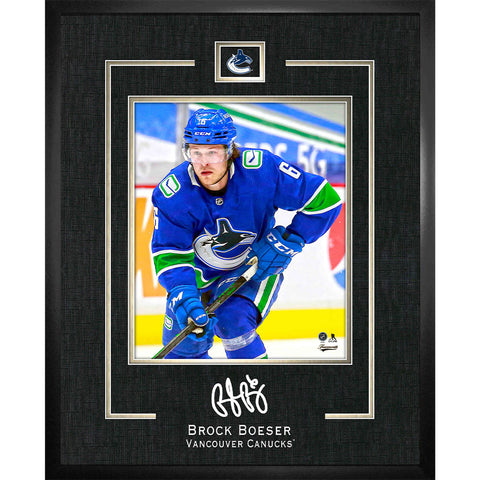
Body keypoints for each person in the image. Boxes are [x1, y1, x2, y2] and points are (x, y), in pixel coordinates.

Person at [151, 108, 342, 359]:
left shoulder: (261, 171)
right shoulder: (173, 193)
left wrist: (290, 240)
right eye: (195, 153)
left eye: (212, 152)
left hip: (253, 268)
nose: (203, 163)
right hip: (196, 277)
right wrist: (183, 292)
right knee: (183, 349)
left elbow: (324, 200)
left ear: (229, 150)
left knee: (233, 319)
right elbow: (170, 252)